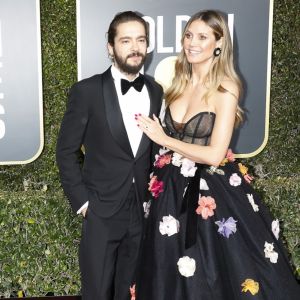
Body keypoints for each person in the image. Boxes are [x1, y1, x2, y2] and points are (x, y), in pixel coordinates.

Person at [135, 10, 300, 300]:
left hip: (211, 193)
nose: (192, 43)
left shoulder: (226, 87)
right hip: (168, 190)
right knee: (165, 268)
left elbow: (214, 154)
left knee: (213, 271)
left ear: (219, 43)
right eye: (188, 35)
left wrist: (165, 140)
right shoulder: (175, 84)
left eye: (202, 36)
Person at [56, 11, 163, 300]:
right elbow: (65, 151)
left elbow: (150, 151)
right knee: (97, 291)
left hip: (141, 211)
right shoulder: (87, 91)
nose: (134, 47)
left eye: (140, 40)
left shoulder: (155, 90)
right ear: (110, 47)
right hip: (101, 210)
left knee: (131, 291)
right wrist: (83, 202)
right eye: (126, 40)